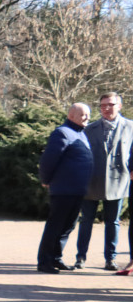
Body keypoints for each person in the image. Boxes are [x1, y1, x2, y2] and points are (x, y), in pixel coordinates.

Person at [74, 92, 133, 271]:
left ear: (120, 106)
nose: (106, 109)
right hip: (92, 180)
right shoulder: (89, 129)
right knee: (86, 220)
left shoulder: (130, 127)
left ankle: (110, 258)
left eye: (111, 105)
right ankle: (80, 257)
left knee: (113, 222)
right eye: (103, 106)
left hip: (118, 180)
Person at [36, 103, 93, 273]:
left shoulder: (80, 133)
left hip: (77, 190)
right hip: (63, 190)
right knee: (56, 226)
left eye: (89, 115)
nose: (87, 118)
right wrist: (46, 180)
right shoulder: (62, 133)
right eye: (84, 115)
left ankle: (56, 258)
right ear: (72, 115)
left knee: (67, 226)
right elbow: (48, 160)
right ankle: (45, 261)